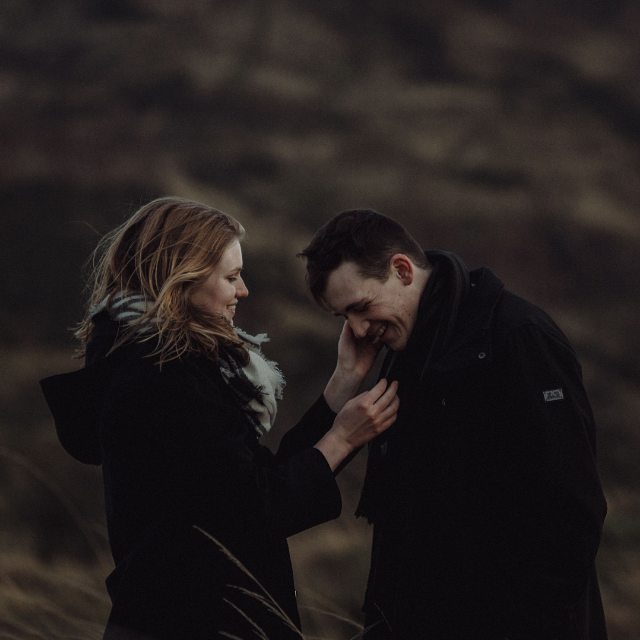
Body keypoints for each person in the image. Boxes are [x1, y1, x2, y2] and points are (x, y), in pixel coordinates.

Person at [40, 197, 399, 640]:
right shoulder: (160, 381)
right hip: (198, 625)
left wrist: (343, 383)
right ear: (182, 277)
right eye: (231, 276)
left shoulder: (160, 366)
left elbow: (249, 480)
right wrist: (341, 440)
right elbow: (255, 511)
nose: (243, 290)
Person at [298, 209, 608, 640]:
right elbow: (294, 484)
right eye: (343, 319)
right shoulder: (404, 357)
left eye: (361, 308)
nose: (358, 329)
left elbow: (572, 512)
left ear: (402, 269)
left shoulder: (516, 335)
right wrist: (345, 380)